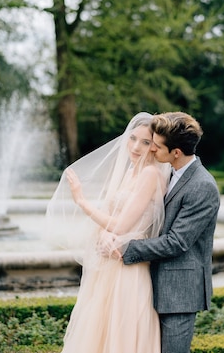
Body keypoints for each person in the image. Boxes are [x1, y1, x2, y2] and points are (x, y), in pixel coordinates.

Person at [45, 112, 170, 353]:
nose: (135, 146)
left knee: (122, 333)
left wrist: (81, 201)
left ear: (155, 147)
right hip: (111, 260)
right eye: (133, 138)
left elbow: (122, 226)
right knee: (101, 330)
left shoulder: (150, 174)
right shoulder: (131, 171)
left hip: (129, 265)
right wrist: (103, 234)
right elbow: (113, 218)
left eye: (145, 142)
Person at [121, 111, 221, 353]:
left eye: (157, 146)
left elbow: (177, 241)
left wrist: (127, 248)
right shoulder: (169, 172)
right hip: (152, 282)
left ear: (176, 152)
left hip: (179, 292)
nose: (151, 149)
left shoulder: (202, 186)